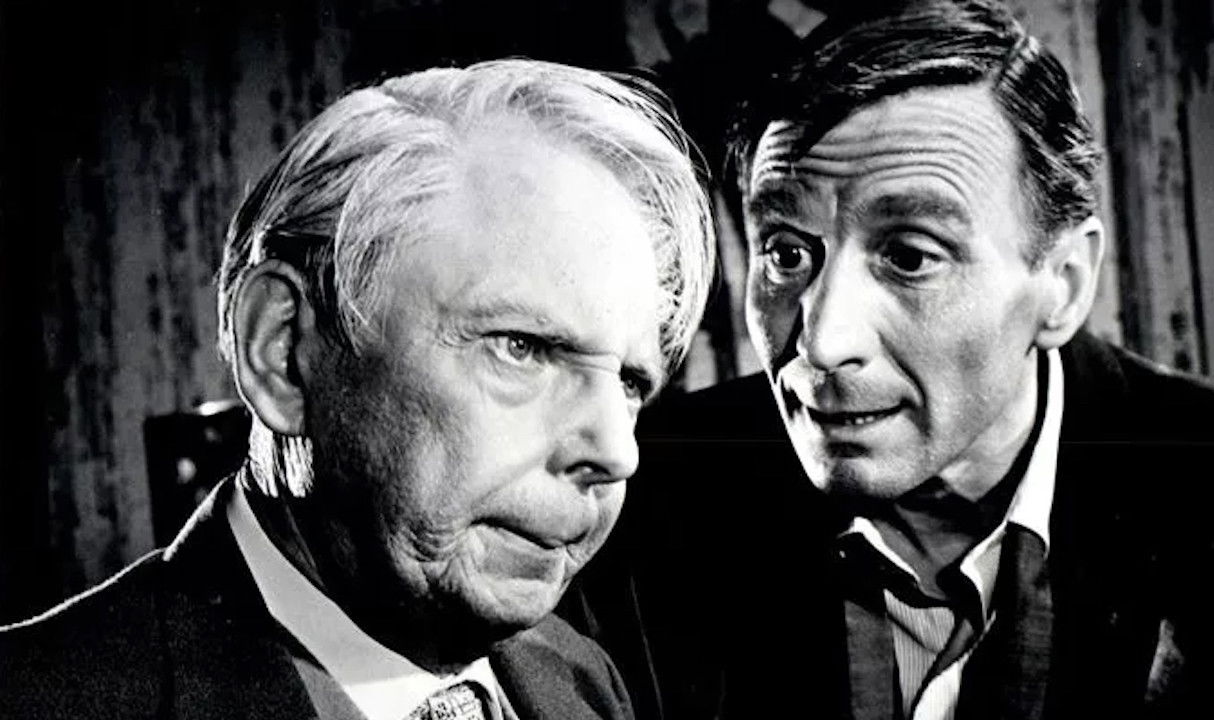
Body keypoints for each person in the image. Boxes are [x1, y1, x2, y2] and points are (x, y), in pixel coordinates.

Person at [565, 3, 1214, 719]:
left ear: (1063, 285)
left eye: (909, 256)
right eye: (786, 252)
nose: (823, 342)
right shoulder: (635, 499)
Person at [0, 59, 714, 720]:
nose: (617, 453)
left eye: (630, 382)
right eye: (521, 348)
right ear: (283, 352)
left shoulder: (579, 678)